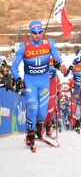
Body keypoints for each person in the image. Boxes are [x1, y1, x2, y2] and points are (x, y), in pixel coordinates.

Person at [10, 20, 63, 150]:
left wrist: (59, 65)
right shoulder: (24, 46)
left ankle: (39, 128)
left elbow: (58, 59)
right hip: (30, 81)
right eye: (35, 33)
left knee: (42, 112)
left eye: (40, 32)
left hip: (44, 82)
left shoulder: (49, 43)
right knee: (33, 107)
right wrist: (17, 78)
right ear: (31, 32)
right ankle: (30, 134)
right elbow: (13, 67)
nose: (38, 35)